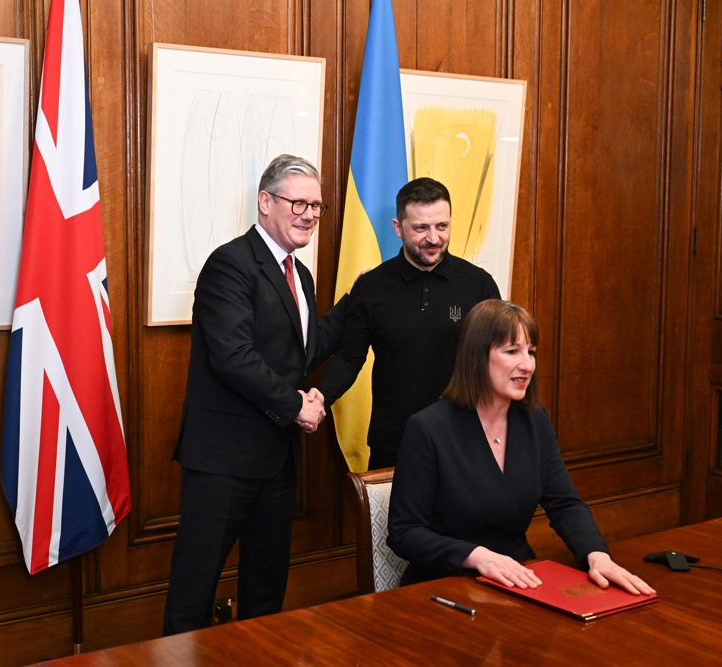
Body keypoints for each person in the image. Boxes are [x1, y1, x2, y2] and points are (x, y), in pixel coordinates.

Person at [162, 155, 349, 635]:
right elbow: (233, 356)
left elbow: (299, 354)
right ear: (266, 202)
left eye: (317, 206)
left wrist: (358, 305)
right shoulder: (230, 264)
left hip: (277, 461)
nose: (309, 214)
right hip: (223, 462)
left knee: (266, 591)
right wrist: (296, 407)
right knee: (194, 590)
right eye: (298, 203)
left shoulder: (300, 275)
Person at [387, 300, 656, 596]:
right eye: (512, 351)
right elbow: (405, 533)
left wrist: (597, 555)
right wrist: (478, 556)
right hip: (443, 585)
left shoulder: (534, 421)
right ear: (477, 357)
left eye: (531, 352)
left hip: (517, 581)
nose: (527, 365)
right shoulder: (427, 428)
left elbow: (565, 504)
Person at [317, 177, 500, 470]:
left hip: (465, 440)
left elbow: (498, 360)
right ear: (397, 228)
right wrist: (320, 397)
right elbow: (350, 358)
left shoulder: (479, 285)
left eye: (442, 226)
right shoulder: (372, 286)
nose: (433, 238)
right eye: (420, 228)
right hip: (393, 443)